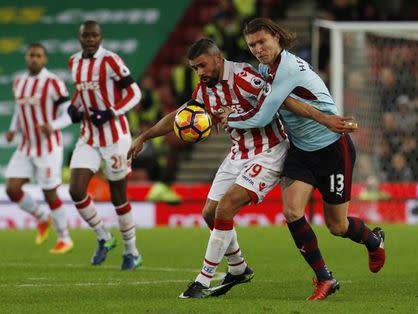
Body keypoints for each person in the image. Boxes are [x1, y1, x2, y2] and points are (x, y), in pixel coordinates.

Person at [128, 38, 353, 299]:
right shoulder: (204, 88)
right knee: (210, 213)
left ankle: (202, 280)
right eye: (194, 69)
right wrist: (144, 136)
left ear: (217, 59)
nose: (199, 73)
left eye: (202, 66)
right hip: (238, 153)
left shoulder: (245, 76)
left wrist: (324, 118)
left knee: (225, 209)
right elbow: (181, 115)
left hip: (269, 151)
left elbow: (284, 101)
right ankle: (238, 267)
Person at [219, 18, 386, 300]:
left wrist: (230, 117)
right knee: (292, 212)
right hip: (300, 151)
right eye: (252, 45)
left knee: (337, 226)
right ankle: (325, 278)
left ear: (276, 38)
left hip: (333, 149)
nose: (258, 49)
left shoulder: (286, 69)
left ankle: (373, 239)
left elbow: (262, 115)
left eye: (262, 42)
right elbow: (284, 103)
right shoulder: (265, 69)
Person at [67, 20, 142, 270]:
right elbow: (81, 92)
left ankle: (132, 251)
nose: (90, 39)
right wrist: (74, 107)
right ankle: (104, 237)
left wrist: (111, 112)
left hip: (115, 137)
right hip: (88, 136)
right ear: (80, 38)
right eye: (86, 35)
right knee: (76, 190)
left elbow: (134, 93)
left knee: (118, 196)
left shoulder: (111, 61)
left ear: (100, 37)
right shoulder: (74, 62)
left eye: (94, 35)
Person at [5, 43, 73, 254]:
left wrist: (52, 126)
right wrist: (12, 129)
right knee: (12, 188)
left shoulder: (53, 82)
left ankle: (64, 238)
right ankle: (42, 217)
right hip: (26, 146)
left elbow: (69, 113)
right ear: (27, 58)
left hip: (48, 147)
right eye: (31, 55)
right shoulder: (19, 82)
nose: (34, 59)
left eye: (38, 56)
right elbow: (19, 109)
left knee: (49, 192)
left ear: (45, 60)